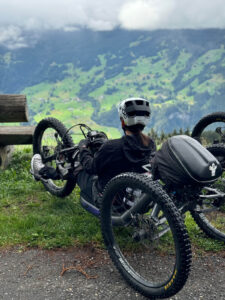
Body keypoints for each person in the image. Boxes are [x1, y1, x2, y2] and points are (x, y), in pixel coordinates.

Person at [31, 97, 156, 206]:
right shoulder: (150, 145)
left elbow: (91, 167)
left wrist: (83, 149)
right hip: (133, 201)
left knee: (78, 167)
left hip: (106, 198)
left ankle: (41, 170)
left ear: (123, 121)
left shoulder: (112, 147)